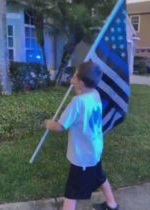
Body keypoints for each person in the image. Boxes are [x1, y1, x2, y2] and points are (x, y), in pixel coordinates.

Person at [45, 61, 120, 210]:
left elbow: (60, 126)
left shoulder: (77, 102)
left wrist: (48, 123)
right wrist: (79, 90)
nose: (72, 78)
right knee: (100, 177)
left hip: (82, 158)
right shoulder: (95, 94)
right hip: (94, 149)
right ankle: (112, 205)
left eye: (74, 76)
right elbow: (84, 104)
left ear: (81, 83)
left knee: (71, 192)